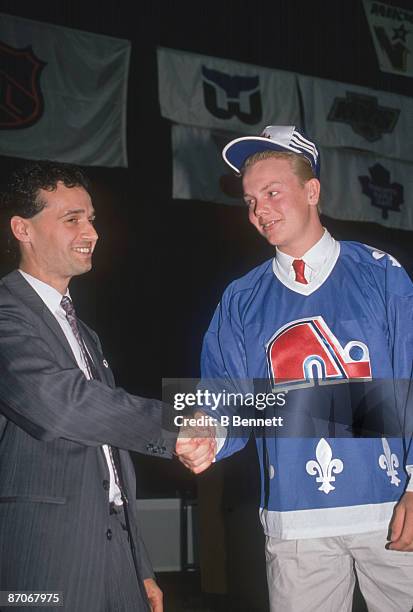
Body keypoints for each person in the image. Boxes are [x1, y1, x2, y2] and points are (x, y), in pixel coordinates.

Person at [178, 126, 413, 611]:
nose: (259, 210)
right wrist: (205, 430)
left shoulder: (381, 273)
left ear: (312, 191)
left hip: (391, 511)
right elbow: (226, 393)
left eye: (271, 192)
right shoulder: (242, 298)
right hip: (294, 520)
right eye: (249, 200)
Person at [0, 161, 178, 612]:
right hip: (42, 559)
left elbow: (111, 457)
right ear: (23, 229)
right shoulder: (5, 315)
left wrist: (141, 567)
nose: (91, 232)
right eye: (72, 219)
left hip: (116, 553)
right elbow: (61, 405)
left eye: (91, 218)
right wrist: (176, 425)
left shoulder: (85, 333)